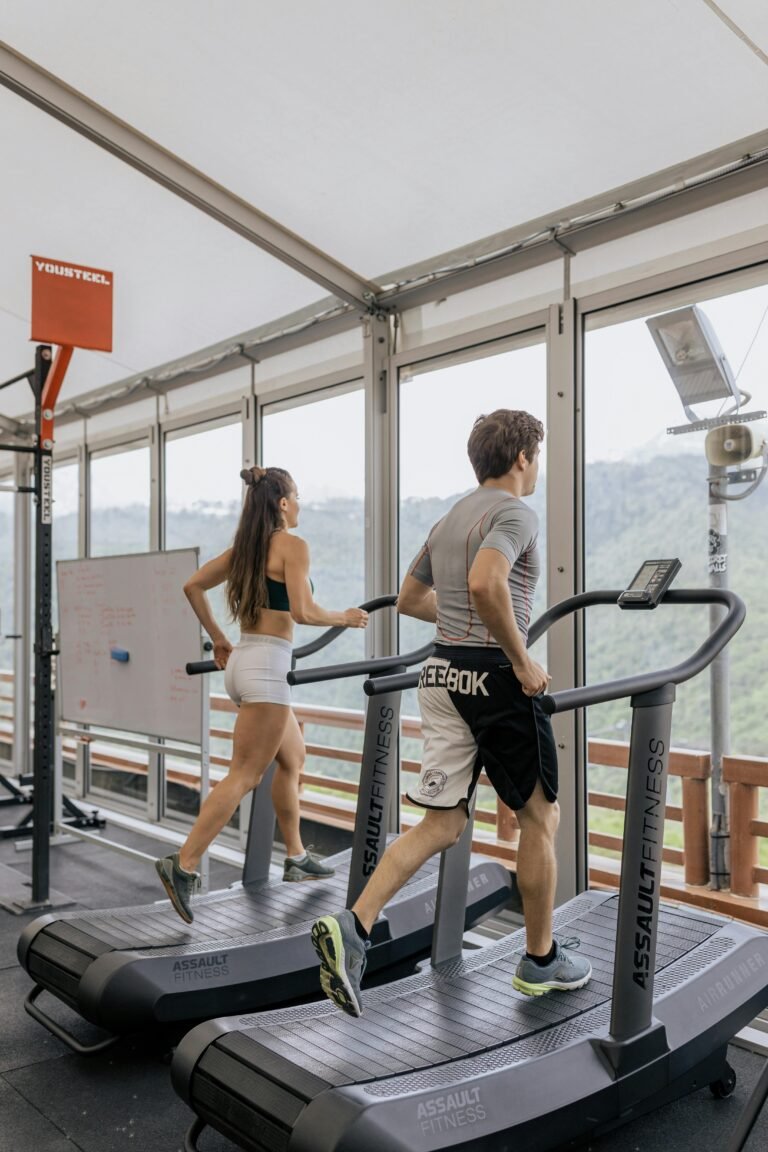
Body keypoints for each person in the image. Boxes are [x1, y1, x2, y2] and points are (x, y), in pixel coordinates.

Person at [311, 409, 592, 1016]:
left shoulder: (449, 518)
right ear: (522, 458)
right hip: (492, 676)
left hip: (441, 674)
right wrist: (519, 659)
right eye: (536, 456)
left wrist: (461, 628)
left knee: (442, 823)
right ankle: (541, 961)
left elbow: (411, 598)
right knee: (541, 815)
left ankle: (354, 928)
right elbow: (489, 584)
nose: (536, 466)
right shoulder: (515, 512)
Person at [155, 465, 368, 924]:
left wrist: (218, 638)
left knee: (292, 756)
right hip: (269, 668)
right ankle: (184, 863)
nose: (302, 505)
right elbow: (303, 611)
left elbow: (191, 585)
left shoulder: (244, 550)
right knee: (245, 774)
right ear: (285, 503)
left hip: (243, 662)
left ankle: (294, 856)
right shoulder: (292, 545)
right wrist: (344, 618)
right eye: (299, 497)